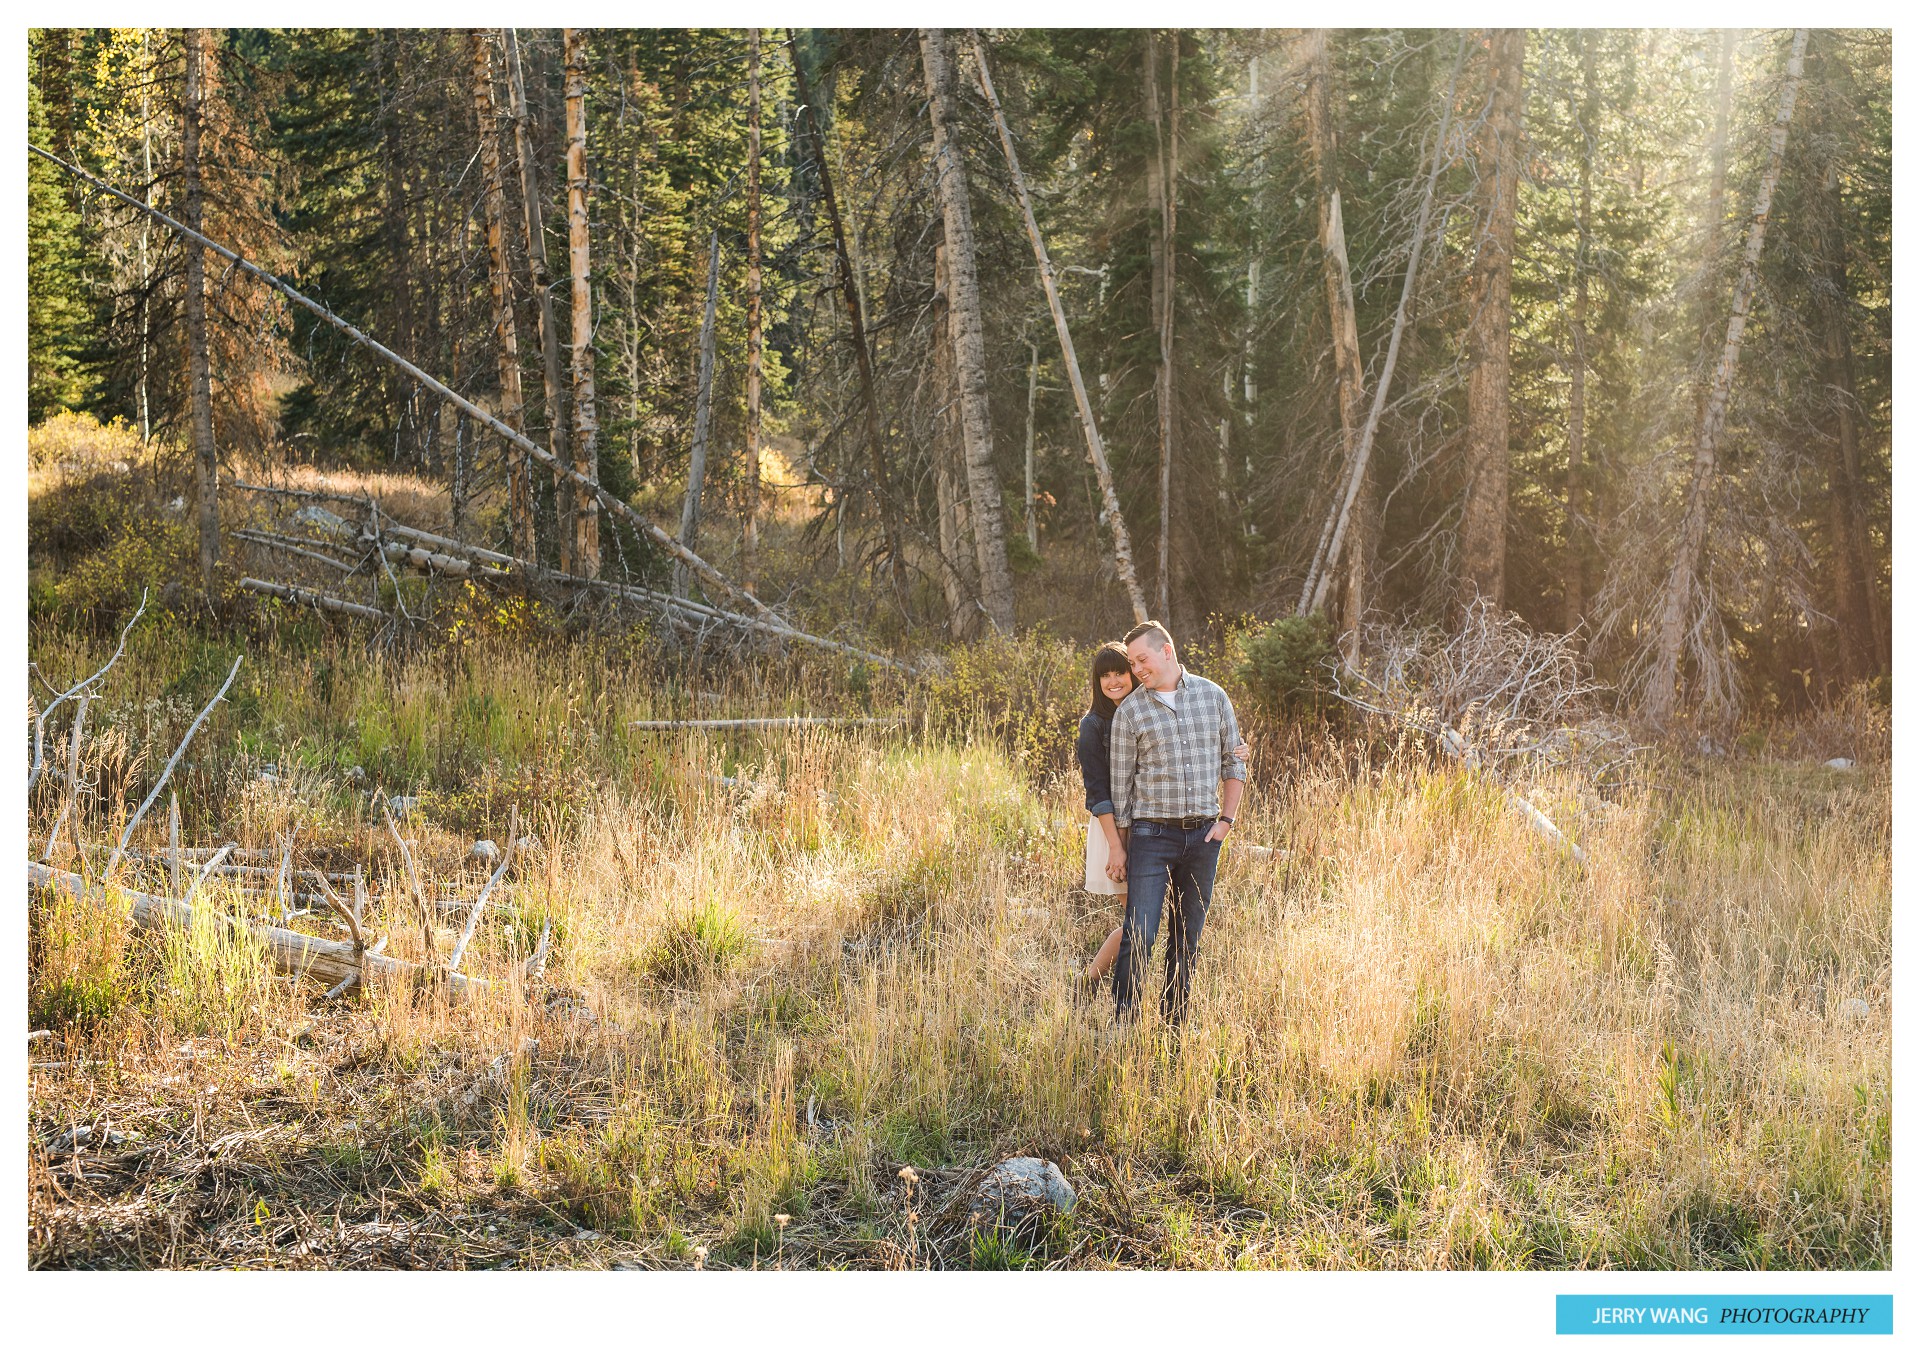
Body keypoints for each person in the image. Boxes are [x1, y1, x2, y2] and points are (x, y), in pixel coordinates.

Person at [1074, 639, 1248, 999]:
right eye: (1104, 675)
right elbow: (1103, 794)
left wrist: (1233, 752)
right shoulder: (1097, 725)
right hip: (1116, 828)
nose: (1116, 680)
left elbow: (1209, 752)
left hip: (1156, 827)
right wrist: (1116, 847)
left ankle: (1104, 986)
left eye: (1122, 671)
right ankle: (1090, 985)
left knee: (1159, 926)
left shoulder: (1164, 703)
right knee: (1137, 925)